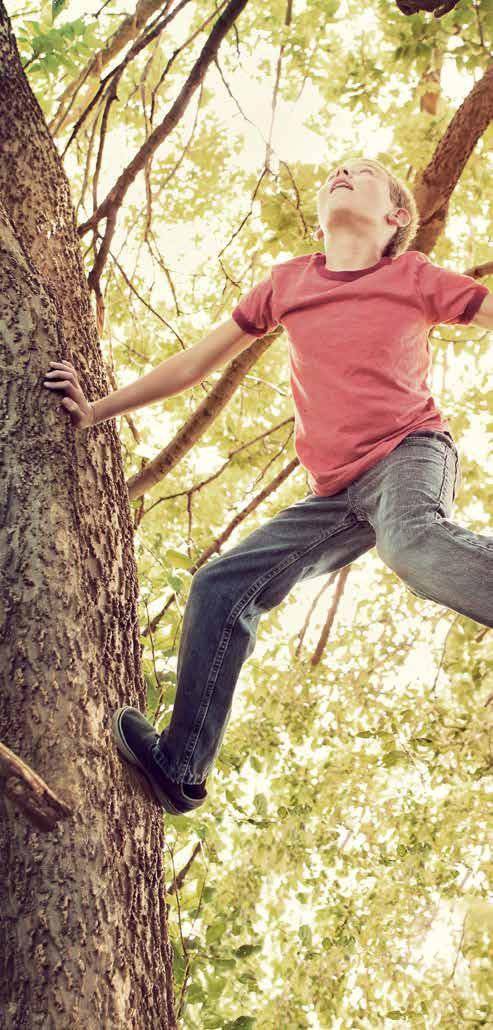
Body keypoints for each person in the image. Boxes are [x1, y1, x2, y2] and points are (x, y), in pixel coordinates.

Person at [42, 156, 493, 816]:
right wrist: (96, 410)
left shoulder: (411, 274)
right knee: (220, 585)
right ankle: (180, 764)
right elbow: (195, 361)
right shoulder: (288, 284)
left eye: (362, 172)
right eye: (335, 171)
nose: (342, 172)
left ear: (395, 217)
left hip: (407, 453)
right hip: (335, 496)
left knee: (411, 542)